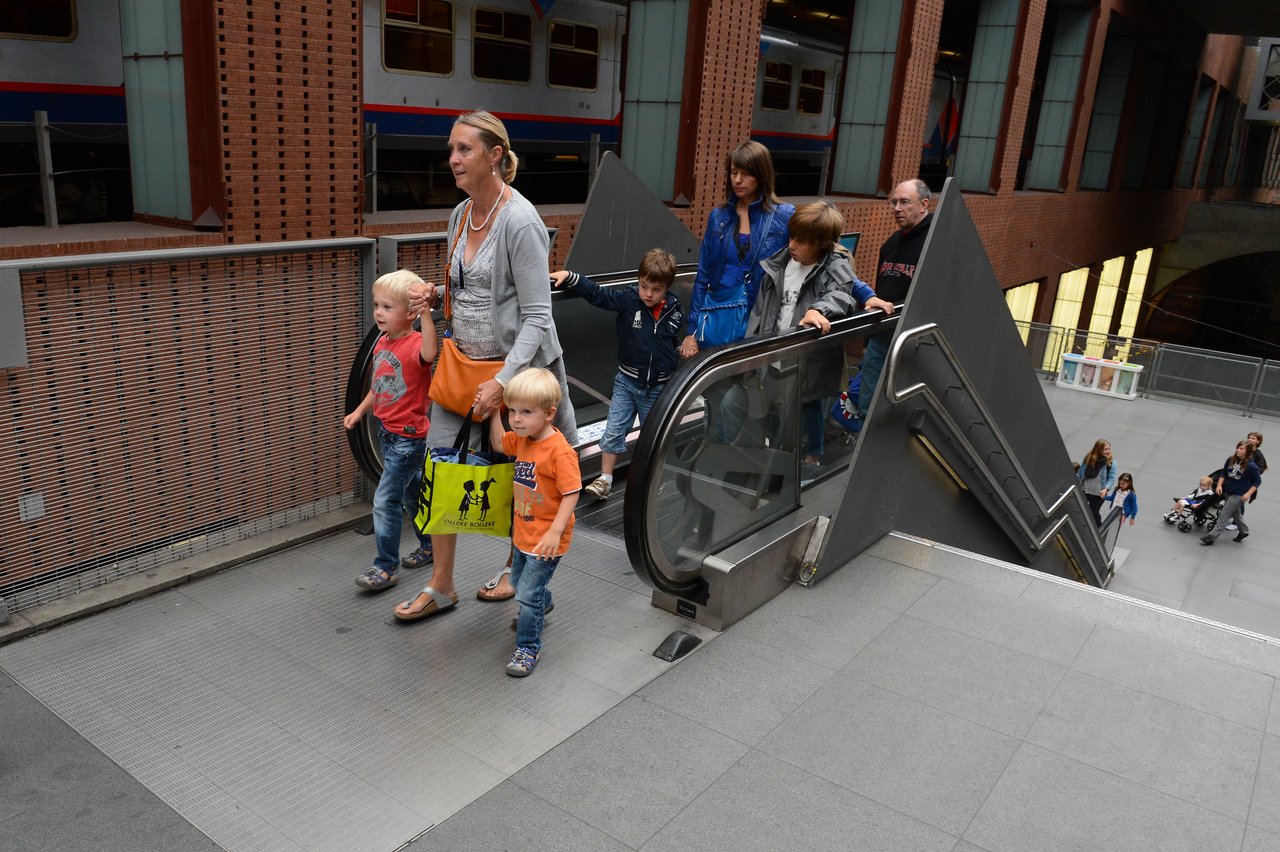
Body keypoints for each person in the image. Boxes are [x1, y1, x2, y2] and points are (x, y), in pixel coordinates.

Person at [395, 111, 577, 620]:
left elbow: (538, 318)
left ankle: (518, 573)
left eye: (464, 149)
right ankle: (443, 584)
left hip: (513, 378)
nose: (452, 159)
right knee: (441, 469)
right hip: (460, 371)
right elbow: (469, 286)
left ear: (495, 155)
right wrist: (437, 292)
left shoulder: (520, 222)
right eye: (451, 149)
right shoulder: (460, 215)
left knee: (523, 478)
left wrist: (502, 383)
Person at [748, 200, 894, 462]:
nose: (792, 245)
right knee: (775, 404)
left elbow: (843, 291)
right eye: (792, 237)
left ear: (822, 244)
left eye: (801, 241)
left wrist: (819, 310)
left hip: (807, 357)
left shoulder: (833, 266)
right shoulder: (780, 263)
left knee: (808, 404)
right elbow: (761, 311)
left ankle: (812, 456)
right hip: (775, 348)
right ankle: (778, 457)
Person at [551, 248, 683, 501]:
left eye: (655, 289)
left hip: (657, 387)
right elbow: (600, 295)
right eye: (644, 286)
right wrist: (571, 277)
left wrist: (680, 349)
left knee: (652, 437)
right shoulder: (629, 300)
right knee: (614, 430)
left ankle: (652, 480)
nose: (648, 294)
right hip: (626, 382)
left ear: (666, 287)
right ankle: (605, 479)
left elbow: (670, 342)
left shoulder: (674, 309)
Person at [343, 270, 438, 591]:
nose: (378, 313)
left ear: (410, 313)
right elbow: (380, 384)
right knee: (413, 495)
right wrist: (358, 411)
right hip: (388, 432)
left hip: (408, 438)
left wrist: (426, 313)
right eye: (376, 305)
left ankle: (385, 567)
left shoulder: (413, 345)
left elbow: (430, 353)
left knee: (385, 500)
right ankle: (430, 545)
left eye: (387, 307)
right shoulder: (384, 341)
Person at [488, 368, 581, 676]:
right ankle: (542, 599)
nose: (516, 418)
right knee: (519, 584)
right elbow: (501, 444)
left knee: (526, 596)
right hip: (524, 533)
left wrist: (555, 531)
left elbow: (572, 492)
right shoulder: (524, 439)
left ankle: (528, 648)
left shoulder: (559, 452)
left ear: (549, 413)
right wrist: (492, 415)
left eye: (526, 412)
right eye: (512, 410)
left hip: (547, 538)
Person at [680, 141, 794, 359]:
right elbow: (703, 276)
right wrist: (692, 331)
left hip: (759, 324)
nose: (738, 180)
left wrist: (863, 294)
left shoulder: (783, 217)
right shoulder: (719, 217)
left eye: (746, 174)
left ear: (762, 174)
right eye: (734, 172)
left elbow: (821, 253)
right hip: (718, 320)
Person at [853, 178, 934, 425]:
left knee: (903, 404)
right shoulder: (890, 244)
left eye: (905, 202)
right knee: (867, 401)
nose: (897, 208)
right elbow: (880, 292)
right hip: (882, 336)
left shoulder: (934, 242)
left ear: (923, 205)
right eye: (894, 202)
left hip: (913, 339)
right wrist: (869, 338)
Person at [1201, 440, 1261, 545]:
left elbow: (1257, 481)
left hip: (1239, 495)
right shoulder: (1231, 460)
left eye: (1241, 449)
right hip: (1228, 491)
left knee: (1223, 515)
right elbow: (1224, 473)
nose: (1238, 450)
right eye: (1238, 447)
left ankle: (1211, 537)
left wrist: (1248, 494)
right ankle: (1244, 531)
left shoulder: (1251, 466)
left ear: (1247, 452)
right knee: (1236, 514)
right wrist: (1219, 485)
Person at [1076, 439, 1116, 526]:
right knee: (1080, 509)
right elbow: (1080, 472)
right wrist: (1076, 484)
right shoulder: (1088, 458)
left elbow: (1112, 478)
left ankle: (1099, 529)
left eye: (1109, 449)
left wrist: (1106, 489)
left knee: (1094, 512)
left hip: (1099, 493)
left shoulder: (1111, 462)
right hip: (1085, 489)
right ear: (1098, 449)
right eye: (1105, 449)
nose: (1108, 451)